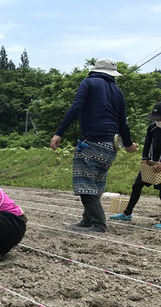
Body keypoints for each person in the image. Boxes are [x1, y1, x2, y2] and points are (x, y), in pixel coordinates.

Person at [50, 58, 138, 233]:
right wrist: (128, 144)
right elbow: (123, 123)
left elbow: (76, 107)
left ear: (95, 70)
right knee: (96, 184)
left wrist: (59, 132)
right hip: (111, 146)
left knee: (84, 183)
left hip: (93, 142)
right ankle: (87, 220)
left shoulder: (89, 82)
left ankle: (98, 224)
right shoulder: (118, 91)